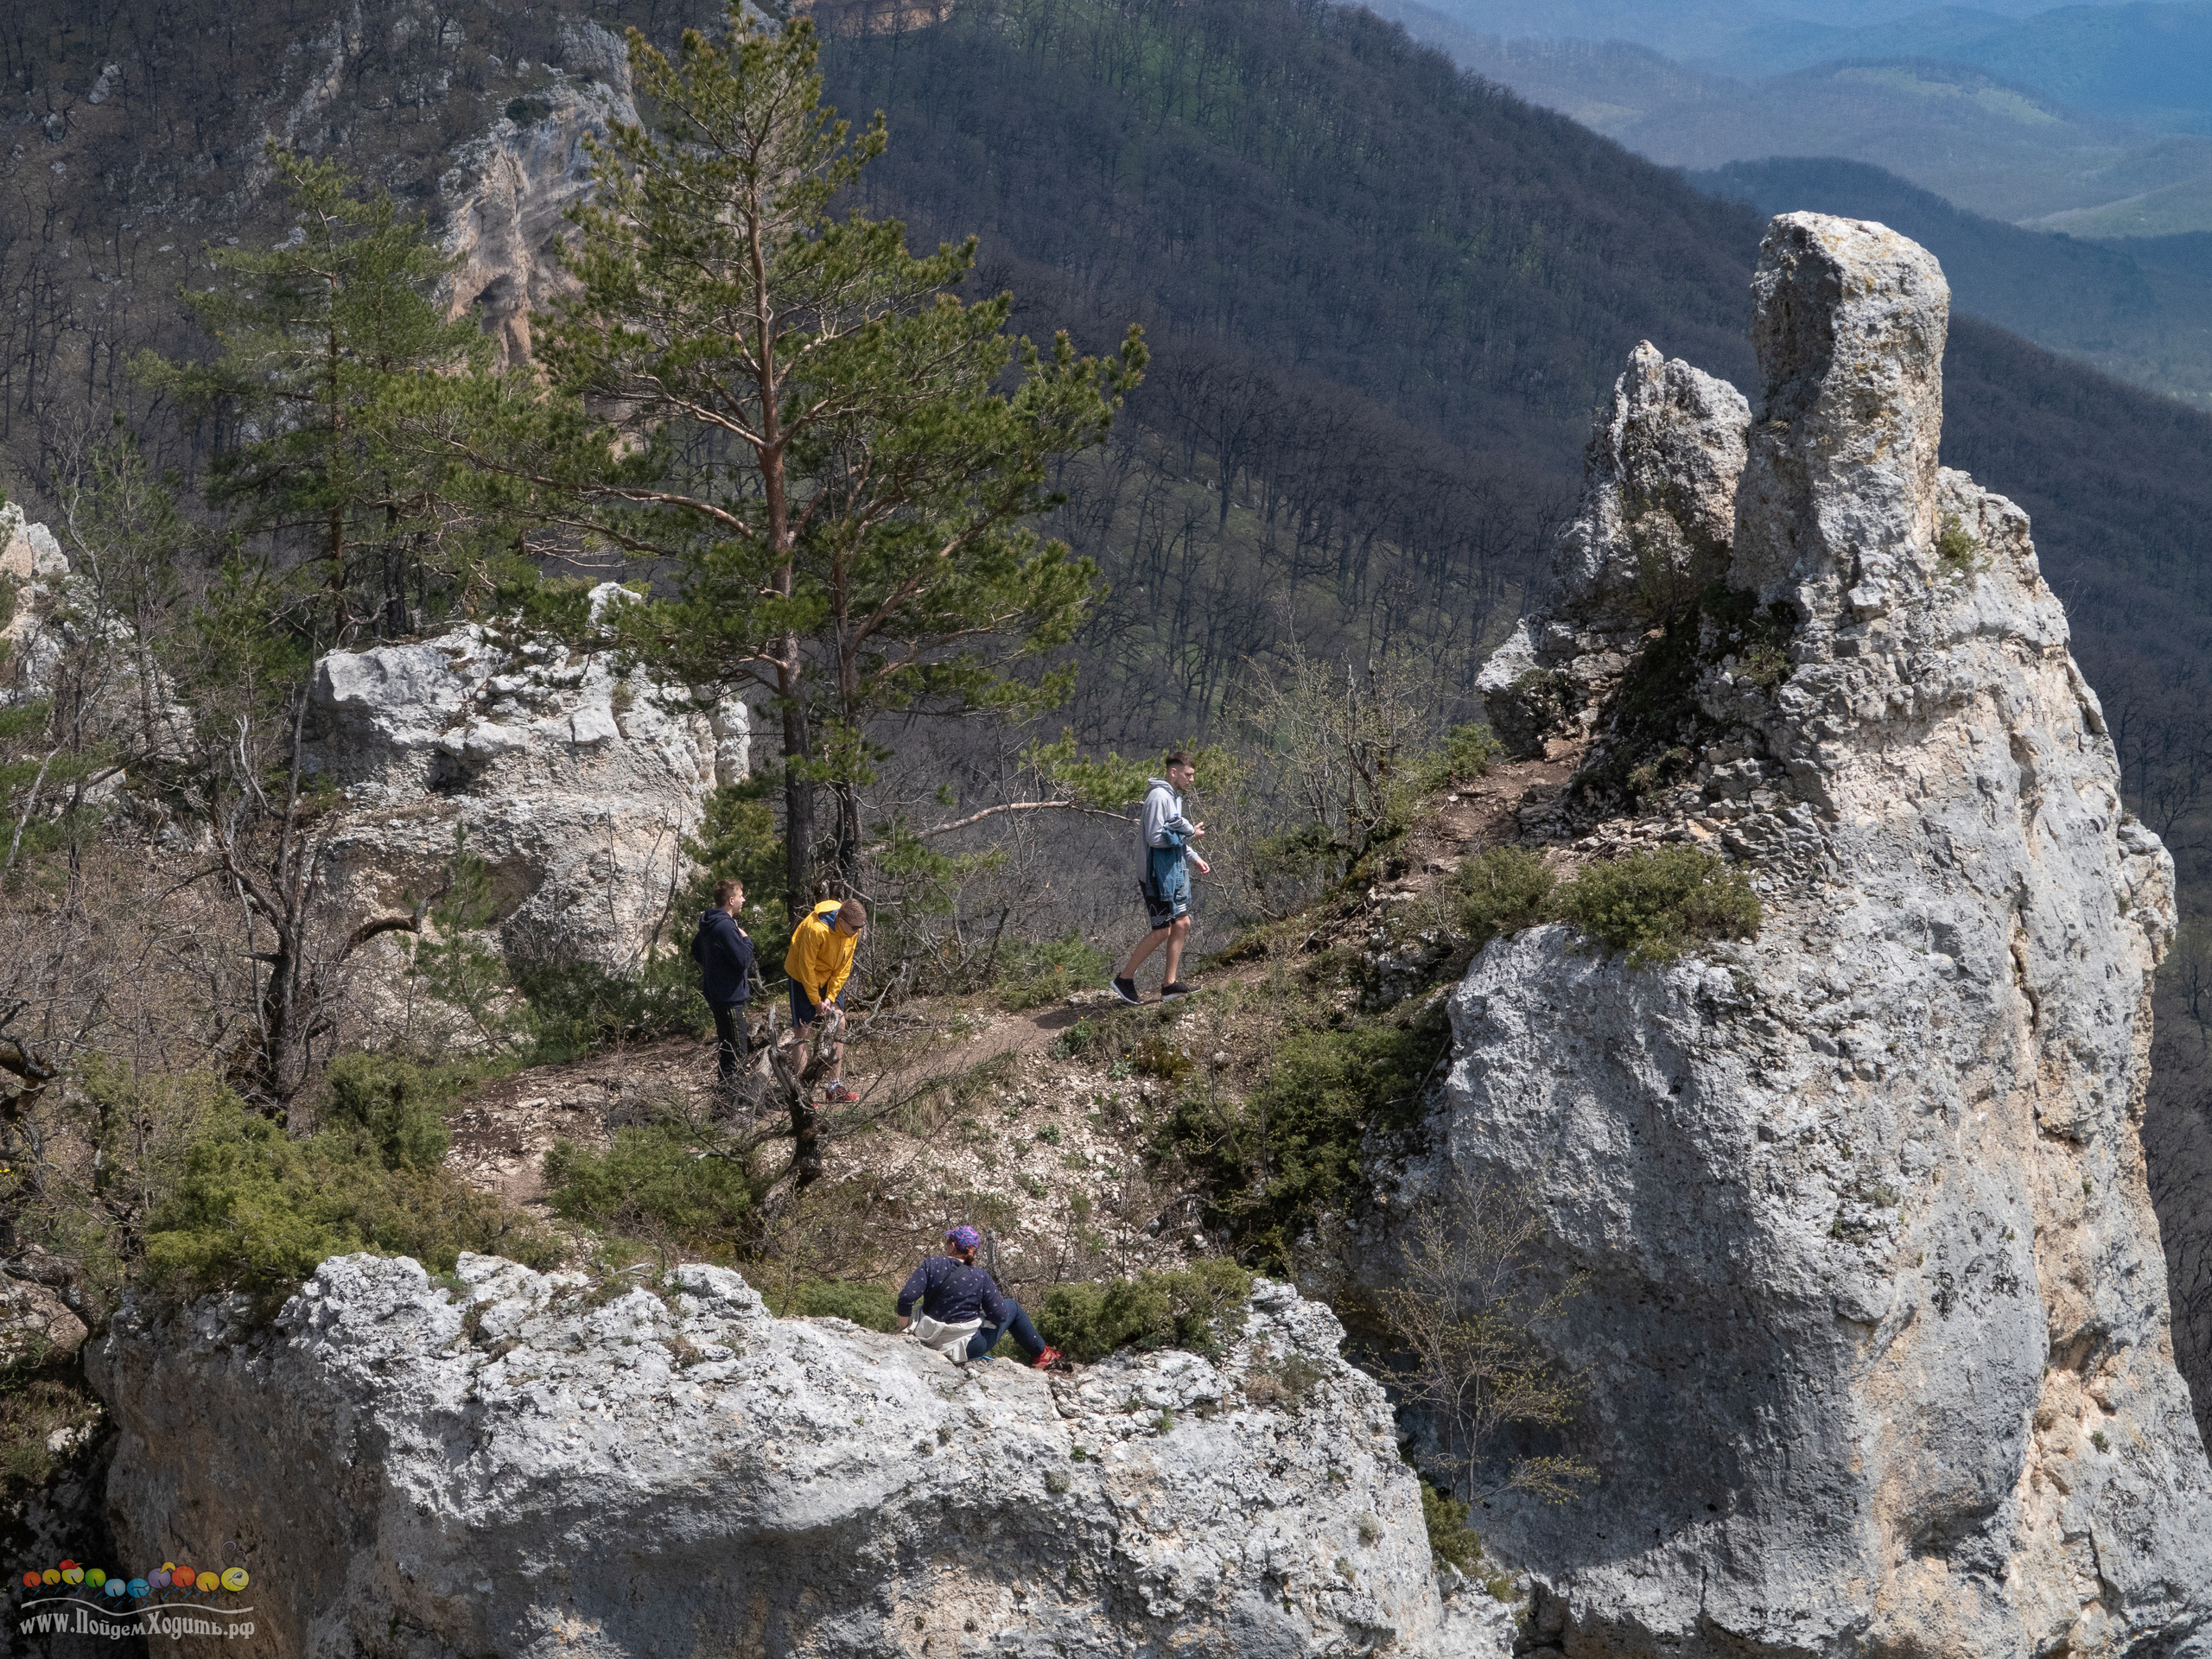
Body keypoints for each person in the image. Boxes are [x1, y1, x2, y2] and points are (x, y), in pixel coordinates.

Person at [1112, 751, 1211, 1004]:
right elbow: (1155, 838)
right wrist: (1190, 835)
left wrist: (1193, 856)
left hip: (1172, 873)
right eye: (1188, 775)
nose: (1191, 780)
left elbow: (1173, 832)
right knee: (1162, 931)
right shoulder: (1159, 797)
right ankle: (1124, 979)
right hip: (1155, 876)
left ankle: (1169, 986)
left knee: (1182, 924)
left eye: (1192, 775)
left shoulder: (1174, 798)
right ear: (1173, 772)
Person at [896, 1225, 1062, 1369]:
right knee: (1012, 1306)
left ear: (952, 1246)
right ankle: (1042, 1354)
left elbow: (906, 1297)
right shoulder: (980, 1276)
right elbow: (1000, 1315)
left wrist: (903, 1329)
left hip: (925, 1337)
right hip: (966, 1347)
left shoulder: (932, 1264)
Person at [782, 893, 868, 1104]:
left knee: (840, 1023)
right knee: (803, 1030)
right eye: (855, 928)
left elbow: (844, 967)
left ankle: (834, 1087)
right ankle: (803, 1091)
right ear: (841, 920)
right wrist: (815, 1001)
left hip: (829, 976)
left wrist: (830, 996)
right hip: (802, 976)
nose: (858, 932)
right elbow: (806, 967)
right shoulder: (816, 929)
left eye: (860, 928)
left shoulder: (852, 929)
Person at [690, 879, 754, 1096]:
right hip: (729, 999)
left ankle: (724, 1106)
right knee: (736, 1055)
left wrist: (715, 967)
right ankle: (731, 1108)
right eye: (740, 895)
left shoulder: (710, 923)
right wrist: (746, 941)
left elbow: (696, 951)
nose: (743, 899)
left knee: (729, 1052)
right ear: (731, 900)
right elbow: (742, 960)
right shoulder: (726, 926)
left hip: (719, 995)